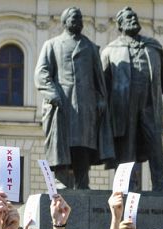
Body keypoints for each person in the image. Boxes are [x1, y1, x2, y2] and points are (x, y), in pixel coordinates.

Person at [101, 6, 163, 192]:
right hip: (123, 108)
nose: (133, 20)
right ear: (120, 25)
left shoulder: (153, 47)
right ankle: (125, 186)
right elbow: (101, 86)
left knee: (155, 143)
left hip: (150, 104)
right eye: (128, 18)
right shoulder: (111, 50)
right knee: (126, 147)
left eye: (134, 17)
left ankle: (160, 184)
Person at [35, 6, 113, 189]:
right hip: (62, 104)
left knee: (83, 145)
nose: (78, 21)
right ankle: (60, 180)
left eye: (80, 18)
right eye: (73, 17)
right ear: (64, 22)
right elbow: (41, 73)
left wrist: (101, 99)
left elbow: (99, 78)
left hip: (86, 105)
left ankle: (82, 182)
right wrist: (52, 94)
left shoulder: (90, 47)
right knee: (61, 144)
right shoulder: (52, 45)